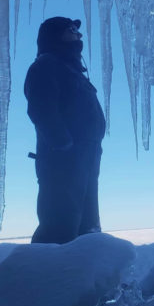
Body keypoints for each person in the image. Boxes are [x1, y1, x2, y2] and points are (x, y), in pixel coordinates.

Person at [24, 16, 106, 243]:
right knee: (61, 219)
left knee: (87, 220)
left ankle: (83, 273)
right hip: (64, 156)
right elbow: (41, 108)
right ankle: (48, 273)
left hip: (86, 154)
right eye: (71, 30)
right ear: (55, 35)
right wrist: (62, 144)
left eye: (78, 32)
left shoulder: (72, 71)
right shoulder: (46, 64)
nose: (78, 36)